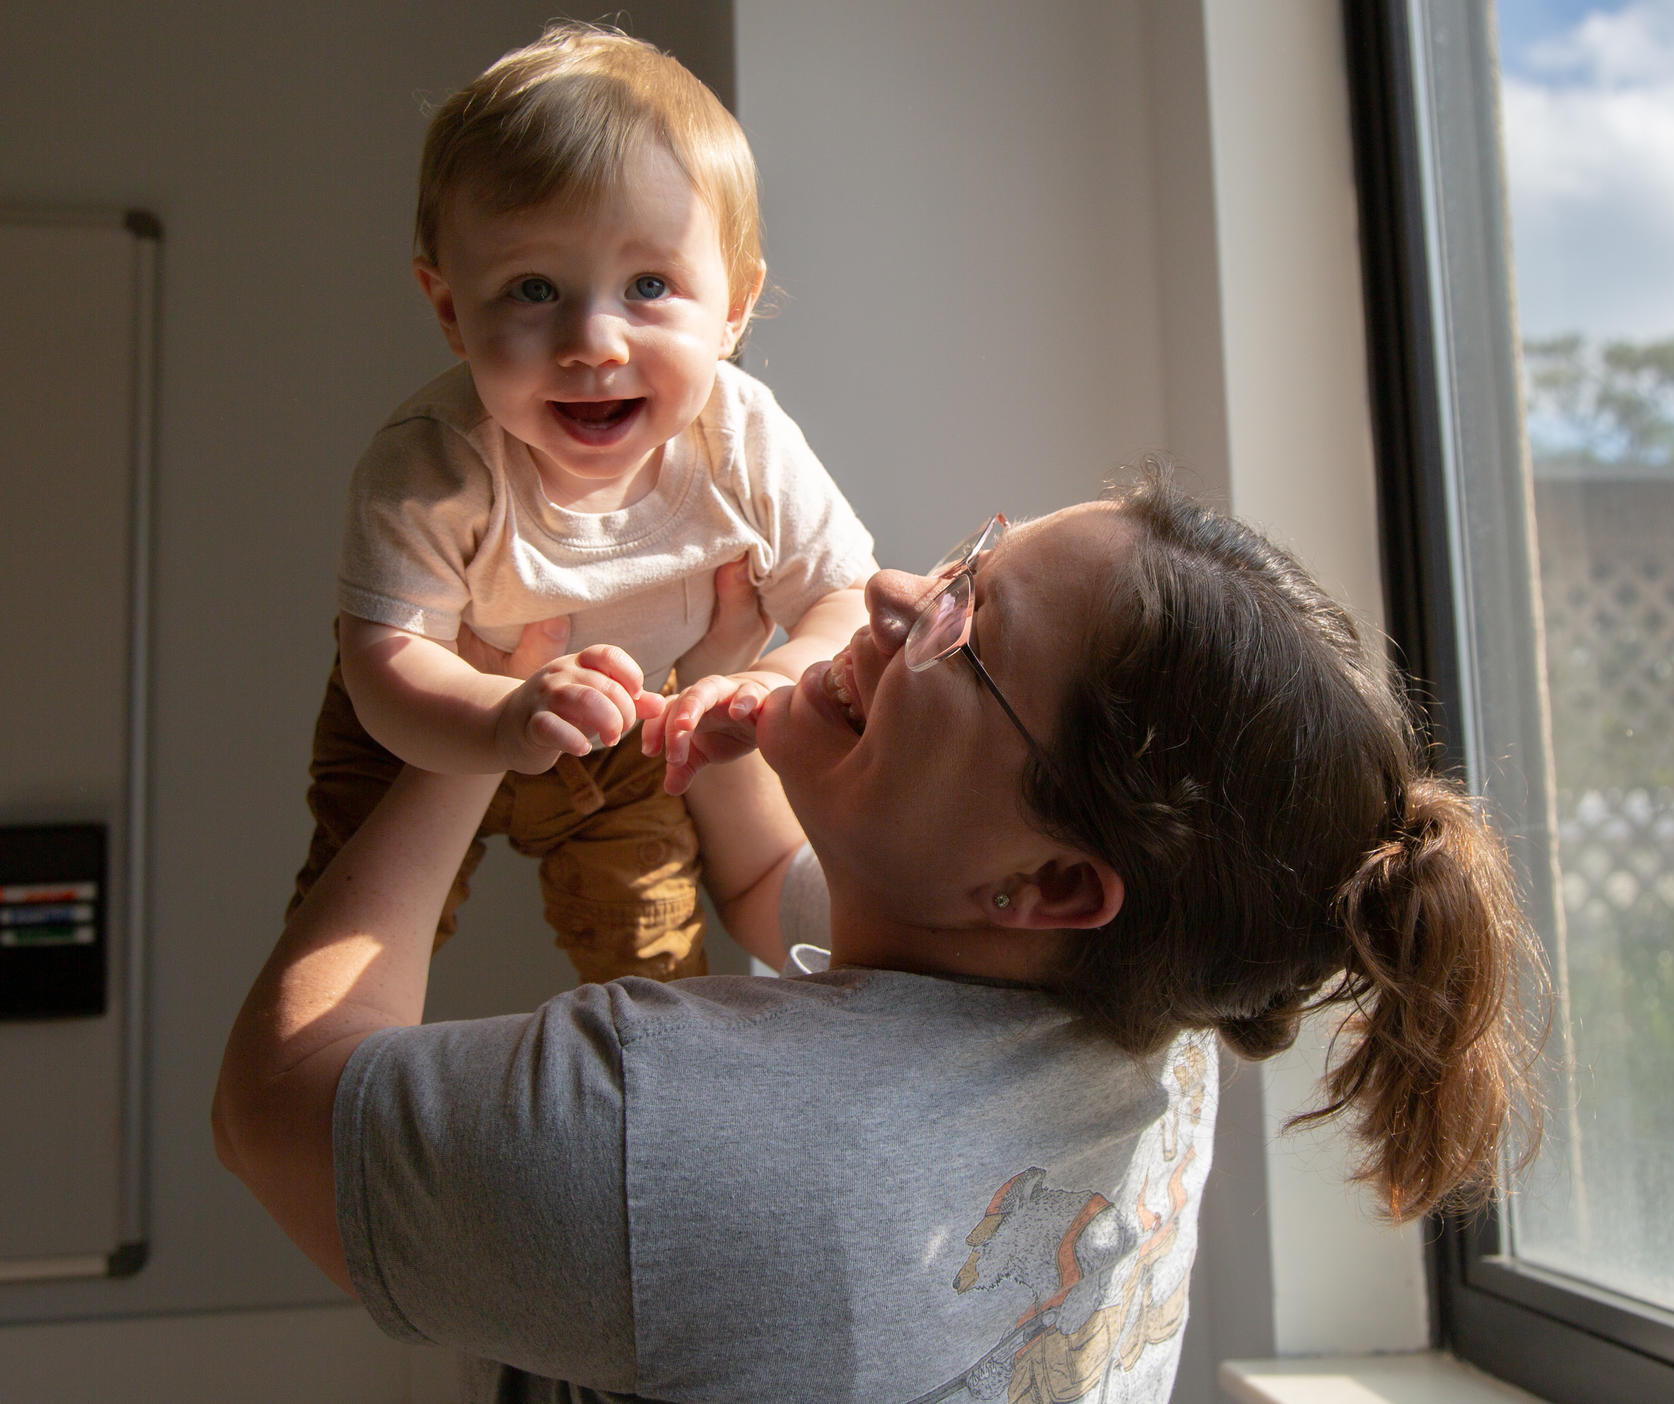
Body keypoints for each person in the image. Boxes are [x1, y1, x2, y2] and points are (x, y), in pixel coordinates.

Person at [217, 476, 1541, 1402]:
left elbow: (276, 1101)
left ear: (1051, 885)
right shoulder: (1136, 1017)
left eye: (968, 636)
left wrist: (477, 720)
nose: (896, 593)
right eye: (973, 558)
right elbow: (772, 894)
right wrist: (729, 725)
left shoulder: (679, 1140)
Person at [290, 21, 875, 984]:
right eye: (532, 288)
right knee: (351, 938)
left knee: (650, 957)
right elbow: (383, 664)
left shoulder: (741, 439)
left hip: (629, 735)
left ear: (732, 310)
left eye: (649, 285)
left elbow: (841, 598)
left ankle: (648, 1098)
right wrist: (495, 721)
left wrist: (769, 680)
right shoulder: (434, 461)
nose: (592, 340)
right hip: (426, 729)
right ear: (450, 310)